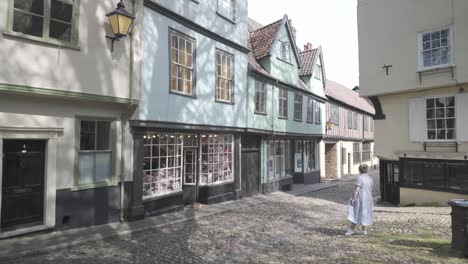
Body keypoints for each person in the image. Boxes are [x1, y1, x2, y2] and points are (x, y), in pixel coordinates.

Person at [345, 163, 374, 236]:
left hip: (360, 197)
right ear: (367, 170)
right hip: (368, 197)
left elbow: (356, 190)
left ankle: (351, 230)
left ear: (359, 170)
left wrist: (353, 199)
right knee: (364, 212)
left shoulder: (359, 178)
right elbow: (370, 189)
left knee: (356, 212)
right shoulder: (370, 178)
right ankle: (363, 230)